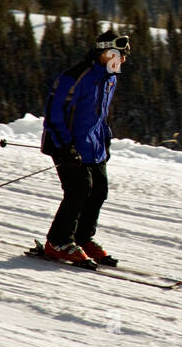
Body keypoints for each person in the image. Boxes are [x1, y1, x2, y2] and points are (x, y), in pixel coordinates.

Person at [39, 30, 130, 266]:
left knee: (99, 190)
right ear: (103, 53)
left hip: (93, 146)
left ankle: (81, 238)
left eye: (123, 56)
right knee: (79, 189)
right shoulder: (74, 77)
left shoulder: (110, 78)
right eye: (118, 55)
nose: (121, 60)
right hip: (65, 144)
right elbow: (53, 113)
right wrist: (65, 146)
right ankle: (57, 242)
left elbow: (99, 116)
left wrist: (105, 139)